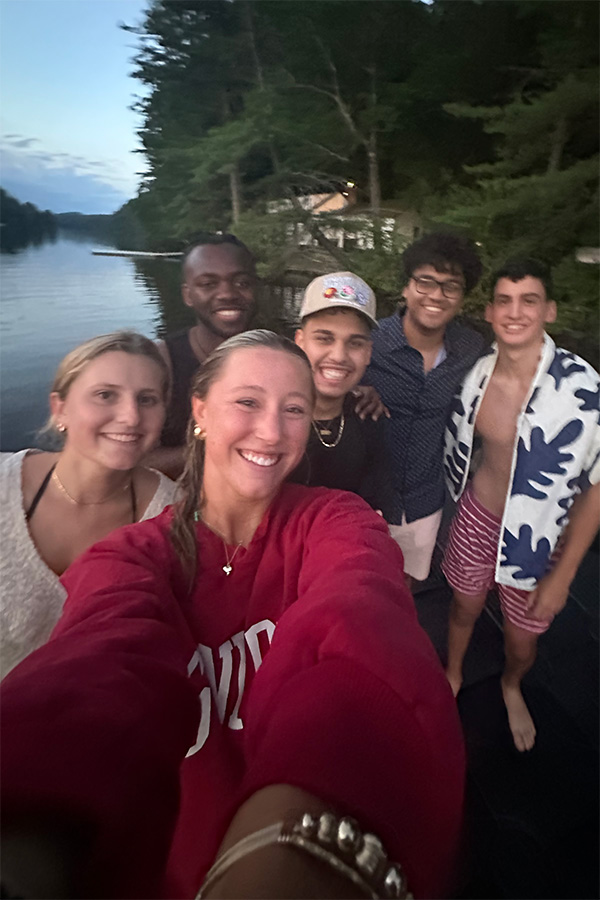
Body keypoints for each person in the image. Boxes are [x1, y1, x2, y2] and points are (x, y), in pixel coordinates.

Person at [1, 331, 465, 900]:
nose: (271, 431)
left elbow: (362, 620)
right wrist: (29, 836)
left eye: (294, 409)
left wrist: (292, 857)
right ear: (199, 412)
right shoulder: (130, 557)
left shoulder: (337, 521)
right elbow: (100, 660)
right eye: (247, 402)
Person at [442, 259, 600, 751]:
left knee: (521, 640)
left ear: (548, 310)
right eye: (504, 302)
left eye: (528, 301)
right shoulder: (476, 373)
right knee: (463, 609)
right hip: (478, 515)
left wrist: (563, 577)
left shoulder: (582, 388)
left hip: (539, 538)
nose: (515, 313)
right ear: (488, 312)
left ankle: (511, 686)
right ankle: (451, 675)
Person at [0, 331, 178, 679]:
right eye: (105, 395)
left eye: (147, 399)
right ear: (60, 408)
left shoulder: (171, 514)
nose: (130, 416)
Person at [363, 232, 485, 586]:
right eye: (426, 282)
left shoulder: (470, 348)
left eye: (451, 286)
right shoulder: (370, 341)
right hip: (364, 498)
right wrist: (353, 388)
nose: (436, 295)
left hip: (424, 500)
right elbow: (321, 380)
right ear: (406, 287)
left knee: (406, 589)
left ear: (462, 298)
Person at [150, 234, 259, 480]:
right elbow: (136, 459)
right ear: (188, 295)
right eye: (208, 284)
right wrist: (221, 446)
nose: (227, 294)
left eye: (241, 283)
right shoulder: (162, 362)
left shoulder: (278, 358)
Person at [290, 272, 392, 516]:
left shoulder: (371, 420)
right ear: (300, 342)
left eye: (355, 343)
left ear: (368, 353)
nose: (338, 356)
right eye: (324, 339)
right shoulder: (271, 419)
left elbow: (373, 505)